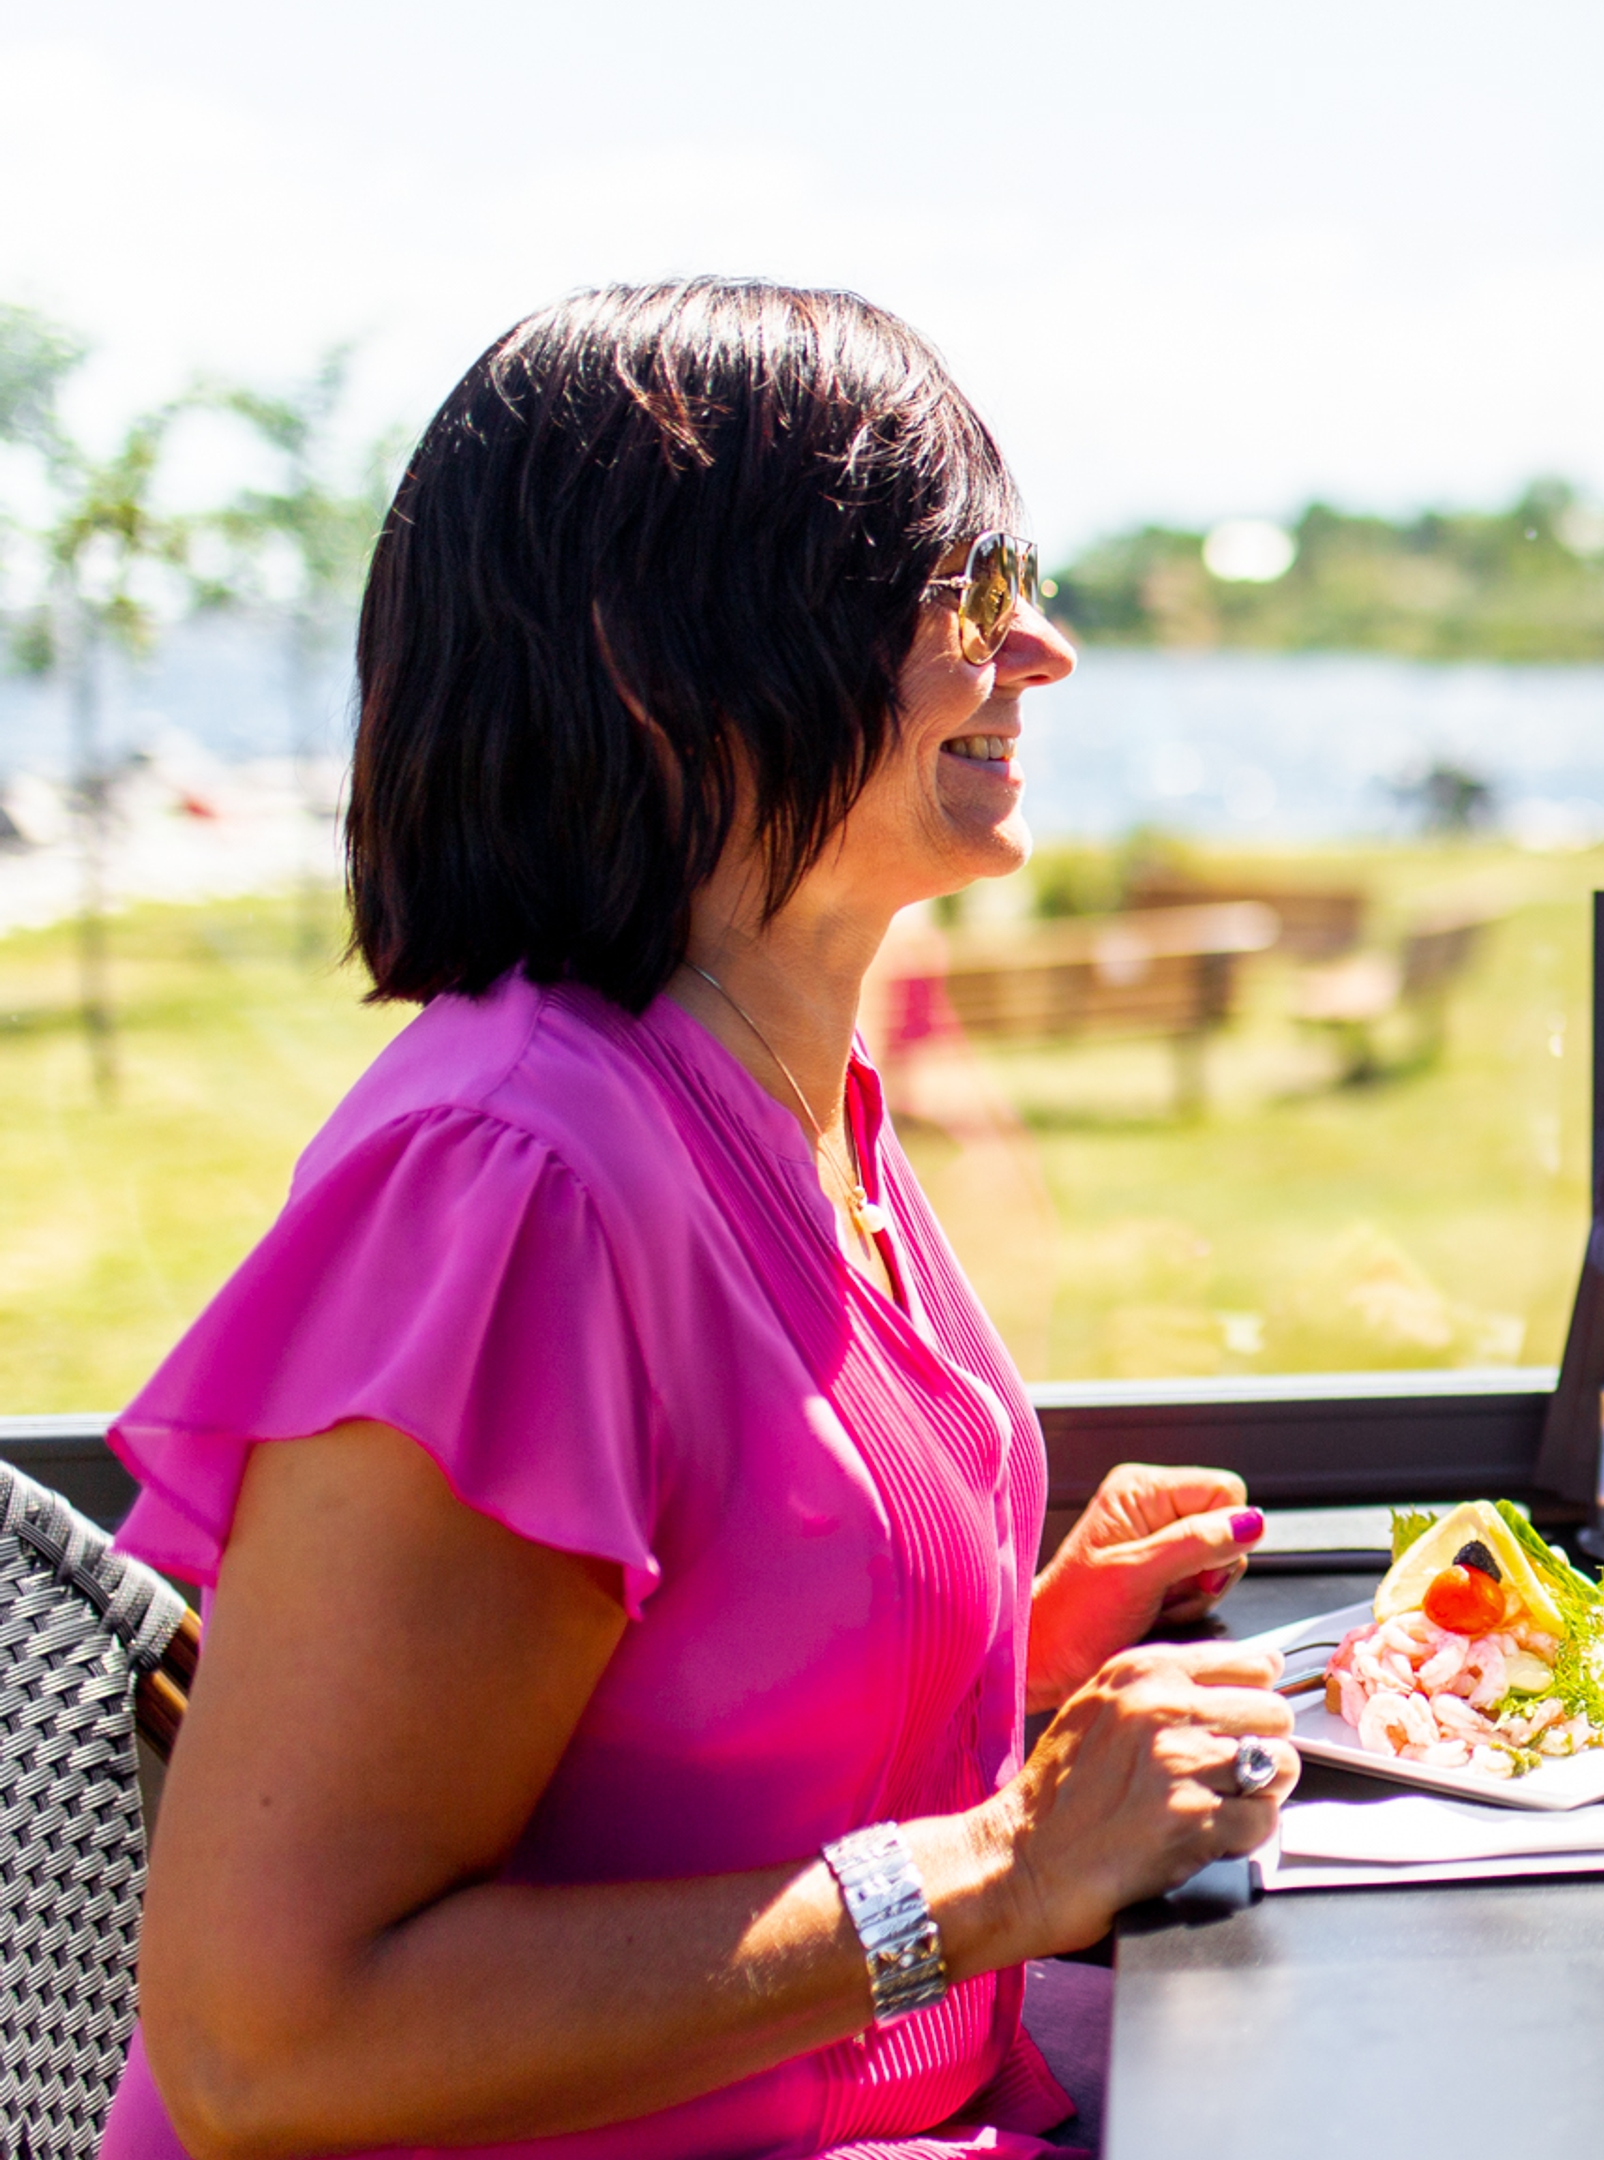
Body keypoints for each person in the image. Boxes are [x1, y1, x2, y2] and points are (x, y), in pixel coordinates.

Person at [105, 280, 1298, 2160]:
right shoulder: (527, 1180)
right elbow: (282, 2045)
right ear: (660, 655)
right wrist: (994, 1866)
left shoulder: (781, 1097)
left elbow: (681, 1748)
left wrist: (1027, 1670)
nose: (1041, 651)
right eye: (966, 586)